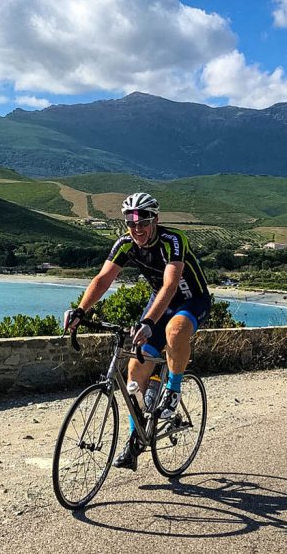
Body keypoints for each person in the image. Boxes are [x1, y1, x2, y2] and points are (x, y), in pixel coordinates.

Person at [62, 192, 211, 470]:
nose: (137, 228)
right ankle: (136, 437)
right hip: (159, 302)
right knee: (134, 369)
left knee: (175, 332)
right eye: (131, 223)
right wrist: (80, 310)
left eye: (143, 221)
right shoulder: (125, 244)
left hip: (192, 299)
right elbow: (103, 279)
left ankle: (173, 390)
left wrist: (148, 322)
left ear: (155, 219)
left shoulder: (172, 241)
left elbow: (170, 284)